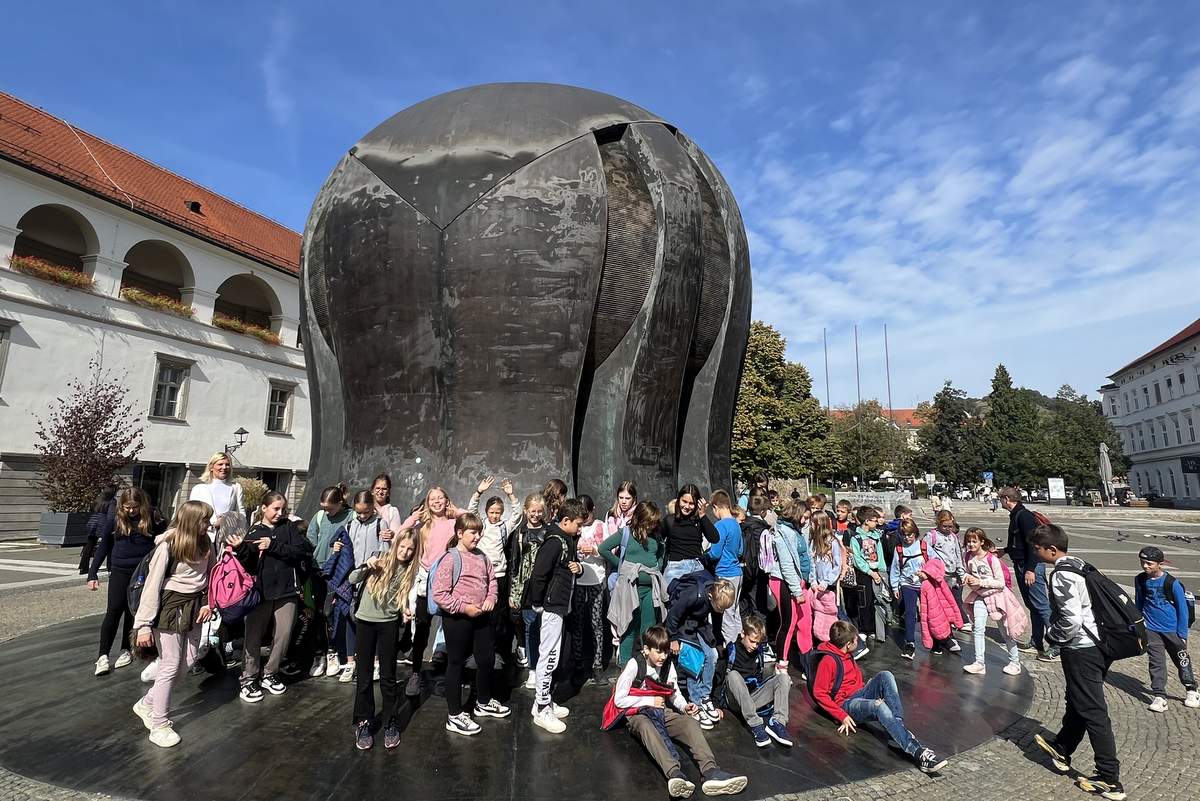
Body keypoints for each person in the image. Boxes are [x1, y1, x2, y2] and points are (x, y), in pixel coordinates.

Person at [1031, 524, 1125, 799]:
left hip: (1082, 648)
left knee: (1093, 710)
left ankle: (1109, 777)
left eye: (1037, 549)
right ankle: (1063, 746)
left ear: (1051, 549)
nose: (1035, 553)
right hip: (1100, 642)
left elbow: (1071, 618)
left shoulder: (1061, 575)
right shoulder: (1080, 564)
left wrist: (1053, 636)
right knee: (1079, 699)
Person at [607, 624, 748, 798]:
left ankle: (711, 771)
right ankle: (674, 774)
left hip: (660, 709)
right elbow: (619, 699)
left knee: (689, 723)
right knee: (646, 728)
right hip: (637, 712)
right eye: (658, 652)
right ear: (646, 649)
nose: (662, 656)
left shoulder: (666, 665)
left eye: (665, 652)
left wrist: (684, 706)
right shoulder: (635, 665)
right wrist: (650, 700)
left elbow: (673, 693)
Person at [130, 500, 217, 747]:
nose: (208, 524)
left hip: (196, 606)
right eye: (204, 520)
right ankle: (159, 724)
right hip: (170, 607)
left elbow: (211, 576)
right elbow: (151, 586)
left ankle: (147, 703)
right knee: (169, 664)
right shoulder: (168, 547)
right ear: (191, 521)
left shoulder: (206, 543)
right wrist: (144, 625)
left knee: (188, 660)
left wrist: (208, 603)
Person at [808, 620, 947, 773]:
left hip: (857, 693)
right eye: (855, 639)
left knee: (885, 675)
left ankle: (896, 727)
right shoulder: (829, 661)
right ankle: (917, 752)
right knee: (878, 706)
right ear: (848, 644)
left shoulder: (846, 653)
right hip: (845, 703)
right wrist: (841, 716)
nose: (858, 641)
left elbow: (852, 680)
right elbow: (819, 693)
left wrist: (866, 688)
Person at [433, 513, 511, 736]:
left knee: (486, 660)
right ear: (459, 533)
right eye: (473, 532)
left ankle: (483, 701)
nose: (478, 536)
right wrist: (464, 607)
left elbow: (492, 582)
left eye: (479, 532)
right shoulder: (450, 559)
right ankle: (454, 715)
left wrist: (490, 599)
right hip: (457, 619)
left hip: (482, 618)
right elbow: (440, 593)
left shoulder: (483, 557)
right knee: (456, 663)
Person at [235, 491, 313, 702]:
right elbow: (248, 564)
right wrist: (240, 548)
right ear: (263, 508)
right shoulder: (254, 531)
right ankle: (249, 677)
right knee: (254, 634)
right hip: (261, 592)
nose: (280, 513)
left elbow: (303, 551)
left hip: (287, 590)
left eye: (283, 509)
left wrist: (274, 545)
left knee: (284, 633)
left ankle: (270, 672)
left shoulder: (289, 528)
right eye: (275, 509)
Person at [348, 529, 421, 749]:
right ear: (396, 544)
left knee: (389, 676)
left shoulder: (410, 570)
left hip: (388, 623)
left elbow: (404, 597)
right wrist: (366, 565)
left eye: (410, 549)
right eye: (402, 546)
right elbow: (352, 578)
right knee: (364, 675)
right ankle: (363, 722)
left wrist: (405, 610)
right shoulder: (379, 560)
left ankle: (390, 722)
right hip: (365, 621)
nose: (406, 552)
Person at [88, 487, 167, 675]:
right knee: (114, 610)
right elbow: (104, 546)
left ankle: (126, 649)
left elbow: (165, 539)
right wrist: (92, 573)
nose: (131, 511)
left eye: (135, 507)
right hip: (119, 569)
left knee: (133, 611)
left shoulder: (152, 518)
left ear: (142, 505)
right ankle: (103, 655)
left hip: (142, 571)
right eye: (127, 507)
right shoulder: (115, 519)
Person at [527, 498, 584, 733]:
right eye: (579, 524)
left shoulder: (567, 539)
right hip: (551, 606)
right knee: (549, 656)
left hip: (560, 605)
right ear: (566, 520)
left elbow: (569, 567)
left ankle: (544, 700)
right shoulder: (554, 542)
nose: (580, 529)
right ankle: (541, 708)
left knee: (554, 654)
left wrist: (578, 568)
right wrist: (538, 603)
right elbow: (539, 574)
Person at [399, 486, 461, 694]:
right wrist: (412, 518)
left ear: (446, 500)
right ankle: (416, 673)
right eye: (432, 499)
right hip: (425, 580)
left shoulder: (453, 523)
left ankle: (446, 676)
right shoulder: (423, 525)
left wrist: (456, 510)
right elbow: (400, 535)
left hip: (446, 580)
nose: (436, 502)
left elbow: (472, 520)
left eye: (440, 498)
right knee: (422, 627)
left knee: (451, 627)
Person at [664, 573, 736, 729]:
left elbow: (717, 621)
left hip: (698, 625)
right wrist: (673, 638)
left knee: (712, 655)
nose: (721, 610)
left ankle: (704, 695)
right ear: (711, 596)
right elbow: (673, 614)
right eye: (720, 608)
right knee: (694, 658)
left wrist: (717, 641)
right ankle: (695, 701)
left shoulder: (718, 601)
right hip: (681, 626)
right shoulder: (694, 594)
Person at [1134, 545, 1199, 712]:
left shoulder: (1173, 583)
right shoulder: (1140, 579)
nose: (1145, 566)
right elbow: (1139, 603)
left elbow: (1182, 610)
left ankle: (1191, 689)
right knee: (1156, 663)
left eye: (1149, 563)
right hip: (1151, 629)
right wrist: (1138, 624)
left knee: (1182, 660)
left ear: (1160, 564)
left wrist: (1183, 634)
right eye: (1143, 562)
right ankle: (1159, 695)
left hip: (1172, 630)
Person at [466, 475, 522, 666]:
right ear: (487, 511)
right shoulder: (480, 525)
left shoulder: (503, 527)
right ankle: (477, 650)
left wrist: (511, 494)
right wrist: (479, 492)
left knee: (498, 615)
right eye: (491, 512)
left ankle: (497, 651)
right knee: (480, 613)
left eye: (498, 512)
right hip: (481, 575)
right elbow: (470, 511)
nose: (495, 515)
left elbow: (517, 514)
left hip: (498, 576)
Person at [603, 501, 666, 665]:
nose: (653, 525)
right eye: (650, 521)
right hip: (630, 588)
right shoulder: (626, 533)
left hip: (650, 590)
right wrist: (623, 567)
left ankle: (647, 667)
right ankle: (624, 665)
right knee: (629, 627)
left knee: (648, 629)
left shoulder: (656, 537)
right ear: (641, 519)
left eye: (655, 522)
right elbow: (603, 548)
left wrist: (657, 566)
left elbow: (661, 553)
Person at [1000, 487, 1056, 660]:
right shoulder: (1016, 515)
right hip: (1022, 565)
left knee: (1042, 605)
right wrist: (1006, 550)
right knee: (1033, 605)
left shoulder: (1023, 516)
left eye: (1001, 499)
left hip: (1030, 566)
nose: (999, 501)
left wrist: (1031, 569)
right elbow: (1020, 542)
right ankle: (1036, 641)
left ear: (1007, 499)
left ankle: (1058, 645)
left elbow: (1034, 545)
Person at [961, 527, 1026, 676]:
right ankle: (979, 663)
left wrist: (981, 582)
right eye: (968, 541)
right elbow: (967, 572)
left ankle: (1015, 661)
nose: (970, 544)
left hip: (997, 598)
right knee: (978, 628)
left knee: (1005, 631)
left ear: (981, 542)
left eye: (974, 541)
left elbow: (1000, 583)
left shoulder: (992, 559)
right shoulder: (968, 557)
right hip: (980, 596)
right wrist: (966, 578)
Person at [725, 615, 792, 748]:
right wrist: (716, 704)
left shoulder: (758, 652)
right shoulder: (731, 650)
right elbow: (719, 678)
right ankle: (756, 725)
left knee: (784, 678)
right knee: (733, 675)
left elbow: (759, 679)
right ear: (743, 634)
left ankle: (778, 722)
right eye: (752, 641)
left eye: (758, 643)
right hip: (735, 699)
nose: (755, 646)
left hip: (751, 699)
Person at [307, 484, 352, 678]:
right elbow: (310, 542)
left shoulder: (351, 517)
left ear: (340, 503)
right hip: (318, 571)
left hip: (338, 573)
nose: (326, 511)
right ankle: (320, 654)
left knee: (333, 614)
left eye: (329, 508)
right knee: (318, 614)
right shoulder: (319, 517)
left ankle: (333, 652)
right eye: (323, 507)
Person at [510, 492, 550, 679]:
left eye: (539, 511)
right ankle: (533, 668)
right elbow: (514, 563)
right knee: (530, 627)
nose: (535, 515)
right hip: (525, 586)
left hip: (545, 585)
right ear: (526, 511)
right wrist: (514, 592)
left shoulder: (549, 532)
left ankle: (544, 666)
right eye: (532, 511)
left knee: (546, 629)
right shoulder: (520, 533)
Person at [771, 500, 813, 671]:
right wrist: (796, 591)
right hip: (784, 581)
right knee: (789, 622)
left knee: (805, 620)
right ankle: (782, 661)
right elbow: (786, 565)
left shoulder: (799, 530)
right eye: (804, 517)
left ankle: (807, 659)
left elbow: (805, 556)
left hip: (800, 580)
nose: (805, 521)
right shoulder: (782, 532)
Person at [572, 494, 609, 685]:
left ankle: (597, 665)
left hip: (596, 579)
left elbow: (607, 550)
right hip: (578, 580)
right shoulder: (574, 527)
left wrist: (594, 550)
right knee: (577, 622)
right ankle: (577, 663)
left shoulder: (600, 526)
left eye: (586, 514)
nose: (583, 518)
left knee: (596, 623)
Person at [660, 484, 720, 587]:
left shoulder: (699, 520)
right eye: (684, 501)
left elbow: (714, 538)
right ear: (679, 500)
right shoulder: (669, 520)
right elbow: (658, 539)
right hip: (675, 568)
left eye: (692, 503)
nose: (687, 507)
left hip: (696, 567)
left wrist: (702, 515)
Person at [707, 491, 744, 646]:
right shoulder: (736, 524)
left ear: (716, 507)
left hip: (724, 574)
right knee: (735, 612)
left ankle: (731, 651)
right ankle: (741, 645)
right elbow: (741, 550)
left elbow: (715, 553)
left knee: (726, 615)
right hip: (738, 573)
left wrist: (703, 556)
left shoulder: (720, 525)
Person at [850, 506, 890, 644]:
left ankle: (875, 628)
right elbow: (857, 558)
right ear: (866, 521)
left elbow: (880, 555)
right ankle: (864, 629)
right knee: (864, 602)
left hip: (877, 571)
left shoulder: (876, 536)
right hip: (864, 574)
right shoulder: (856, 537)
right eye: (874, 520)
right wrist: (870, 572)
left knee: (877, 601)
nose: (877, 523)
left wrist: (881, 571)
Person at [806, 512, 846, 650]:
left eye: (813, 522)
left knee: (835, 615)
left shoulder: (832, 541)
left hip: (829, 586)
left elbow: (837, 564)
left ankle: (845, 642)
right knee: (818, 616)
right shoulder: (813, 542)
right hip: (817, 586)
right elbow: (811, 563)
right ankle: (820, 645)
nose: (810, 525)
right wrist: (813, 581)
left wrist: (826, 581)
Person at [924, 510, 967, 624]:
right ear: (938, 523)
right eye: (945, 526)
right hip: (940, 575)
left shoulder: (953, 537)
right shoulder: (932, 536)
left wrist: (961, 573)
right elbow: (924, 553)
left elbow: (958, 555)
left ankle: (953, 621)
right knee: (941, 602)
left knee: (953, 601)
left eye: (950, 526)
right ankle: (943, 623)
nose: (948, 529)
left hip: (953, 574)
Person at [188, 452, 244, 537]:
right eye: (220, 464)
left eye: (227, 464)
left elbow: (241, 515)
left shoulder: (236, 487)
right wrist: (213, 525)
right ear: (211, 467)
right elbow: (191, 515)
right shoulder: (199, 489)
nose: (224, 467)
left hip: (226, 537)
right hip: (203, 536)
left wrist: (226, 520)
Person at [80, 485, 118, 574]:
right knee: (109, 545)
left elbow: (91, 509)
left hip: (92, 522)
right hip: (103, 523)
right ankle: (110, 567)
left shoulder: (98, 499)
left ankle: (83, 567)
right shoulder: (112, 501)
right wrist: (111, 527)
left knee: (89, 544)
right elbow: (111, 516)